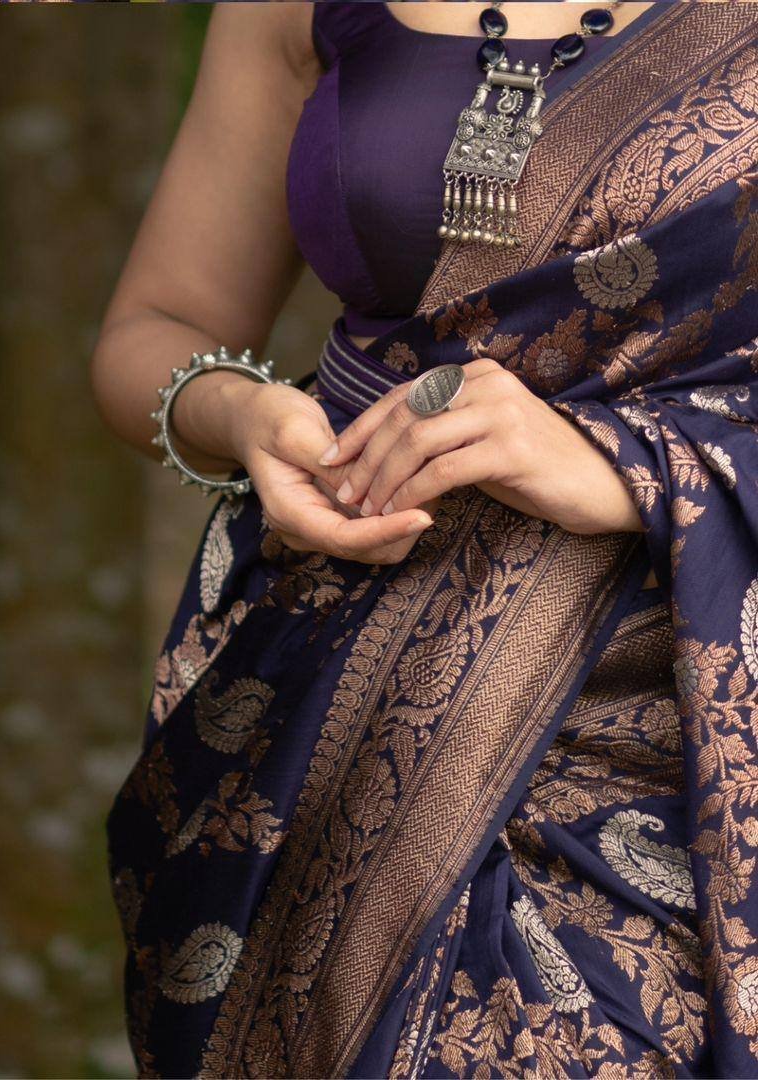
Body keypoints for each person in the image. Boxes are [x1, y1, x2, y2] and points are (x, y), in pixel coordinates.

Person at [90, 2, 758, 1076]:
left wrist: (622, 466)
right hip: (322, 689)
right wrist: (242, 414)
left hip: (660, 716)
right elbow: (154, 326)